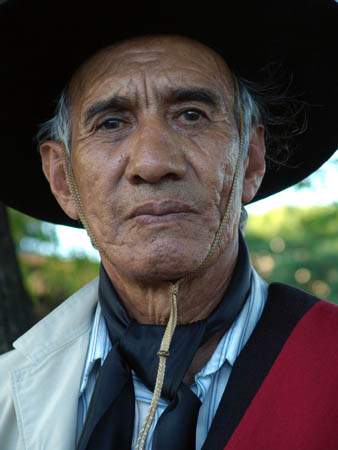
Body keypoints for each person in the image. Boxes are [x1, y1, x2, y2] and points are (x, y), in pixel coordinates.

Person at [0, 1, 337, 449]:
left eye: (191, 114)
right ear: (63, 179)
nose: (153, 162)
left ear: (252, 159)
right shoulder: (6, 398)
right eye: (112, 122)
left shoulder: (327, 364)